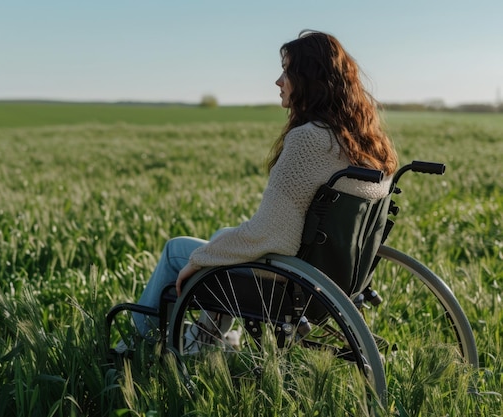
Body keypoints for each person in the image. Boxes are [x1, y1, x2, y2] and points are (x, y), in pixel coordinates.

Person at [117, 30, 398, 351]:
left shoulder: (309, 140)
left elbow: (272, 234)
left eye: (287, 71)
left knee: (176, 251)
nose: (279, 81)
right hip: (336, 278)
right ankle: (201, 344)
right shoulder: (366, 143)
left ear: (309, 79)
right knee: (225, 237)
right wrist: (219, 248)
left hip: (293, 284)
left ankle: (132, 348)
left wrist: (200, 260)